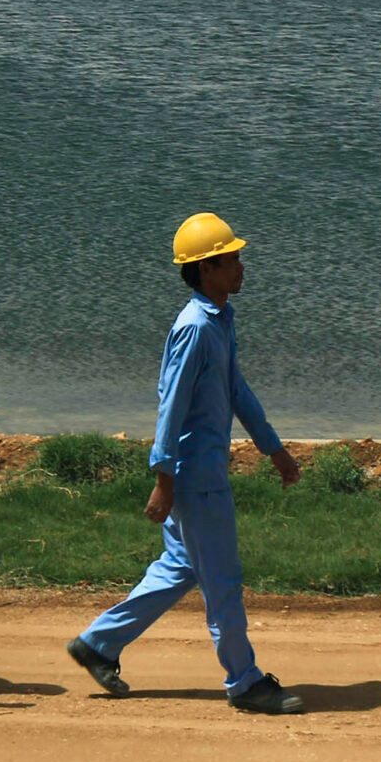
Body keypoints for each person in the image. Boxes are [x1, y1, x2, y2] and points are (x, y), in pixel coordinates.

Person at [67, 212, 305, 715]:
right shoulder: (195, 329)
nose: (241, 267)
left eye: (237, 257)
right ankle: (244, 682)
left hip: (205, 470)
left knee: (179, 567)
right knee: (222, 580)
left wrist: (273, 448)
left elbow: (235, 389)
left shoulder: (220, 319)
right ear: (204, 270)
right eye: (230, 259)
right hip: (195, 479)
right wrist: (164, 478)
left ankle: (97, 644)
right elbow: (170, 405)